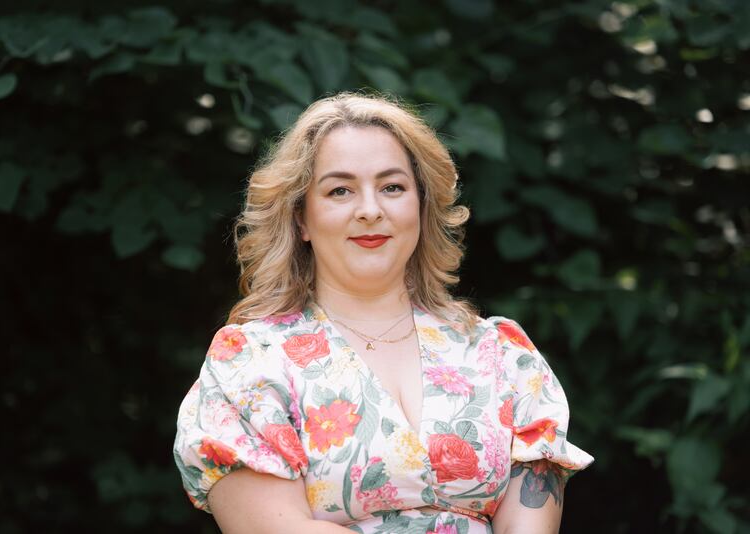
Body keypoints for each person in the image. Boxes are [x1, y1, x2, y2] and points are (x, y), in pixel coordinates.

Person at [173, 92, 593, 533]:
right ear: (301, 219)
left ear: (421, 205)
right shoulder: (249, 365)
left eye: (392, 187)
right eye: (340, 191)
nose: (370, 211)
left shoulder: (501, 357)